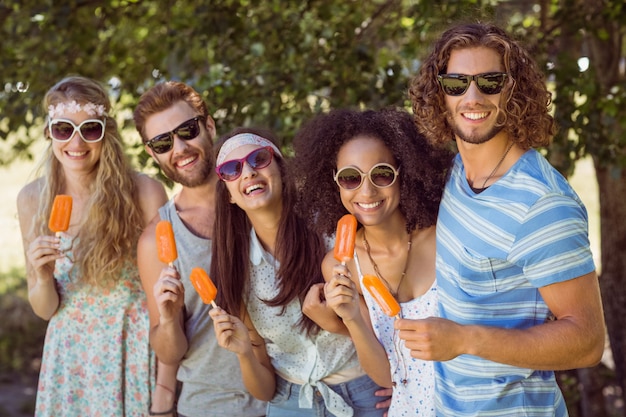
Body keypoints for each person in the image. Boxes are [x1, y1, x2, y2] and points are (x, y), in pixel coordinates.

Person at [401, 22, 606, 415]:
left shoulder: (542, 204)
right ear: (440, 93)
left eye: (490, 81)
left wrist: (463, 340)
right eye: (456, 83)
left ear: (514, 90)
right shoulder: (459, 170)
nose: (472, 97)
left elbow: (588, 341)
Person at [208, 128, 387, 417]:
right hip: (290, 404)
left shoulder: (333, 229)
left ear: (281, 169)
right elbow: (264, 390)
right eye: (232, 169)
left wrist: (399, 382)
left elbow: (385, 324)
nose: (249, 172)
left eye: (259, 158)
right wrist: (244, 354)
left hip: (365, 392)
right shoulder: (235, 269)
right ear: (228, 194)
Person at [17, 75, 168, 416]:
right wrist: (41, 277)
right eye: (63, 129)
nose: (76, 141)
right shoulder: (32, 200)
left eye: (89, 129)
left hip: (130, 347)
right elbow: (45, 309)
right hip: (70, 360)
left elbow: (166, 298)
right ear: (48, 133)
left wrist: (165, 387)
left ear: (106, 133)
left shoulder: (144, 193)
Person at [291, 108, 453, 416]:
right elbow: (384, 375)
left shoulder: (444, 238)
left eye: (381, 173)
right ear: (335, 183)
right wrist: (350, 318)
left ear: (403, 172)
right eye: (350, 178)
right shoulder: (342, 266)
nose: (366, 191)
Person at [133, 81, 267, 417]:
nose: (179, 148)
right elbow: (169, 351)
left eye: (187, 130)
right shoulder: (156, 240)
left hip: (292, 397)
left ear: (209, 126)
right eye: (163, 142)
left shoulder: (260, 194)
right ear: (152, 153)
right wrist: (167, 319)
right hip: (212, 405)